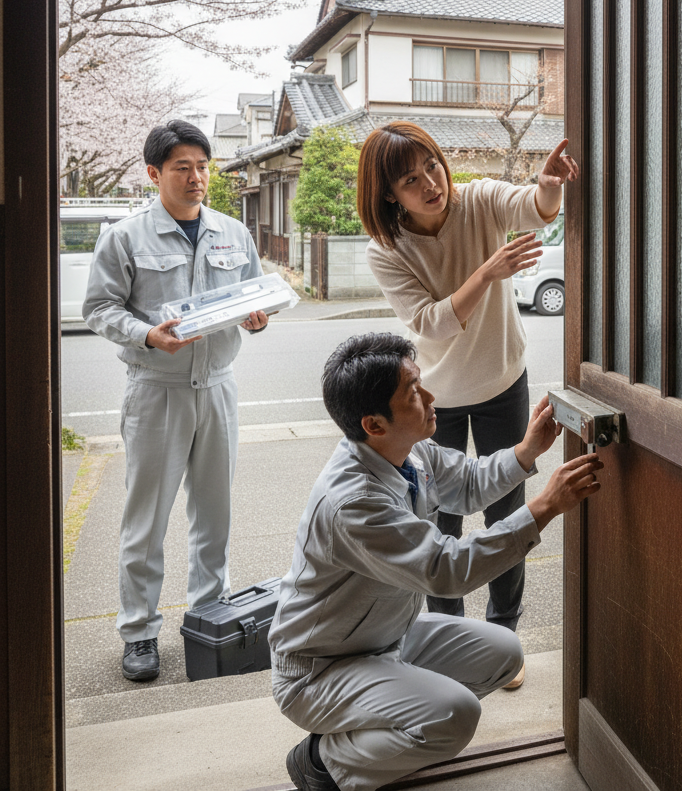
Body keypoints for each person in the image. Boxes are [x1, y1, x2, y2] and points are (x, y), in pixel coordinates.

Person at [269, 331, 602, 791]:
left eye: (420, 383)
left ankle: (388, 729)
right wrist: (544, 507)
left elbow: (467, 483)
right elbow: (447, 570)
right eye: (413, 393)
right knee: (455, 715)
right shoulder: (354, 502)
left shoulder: (408, 451)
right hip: (322, 668)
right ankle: (323, 762)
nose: (430, 398)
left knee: (504, 654)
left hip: (385, 637)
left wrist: (526, 451)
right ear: (374, 424)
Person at [356, 122, 578, 687]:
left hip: (503, 380)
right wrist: (488, 271)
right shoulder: (388, 250)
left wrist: (548, 186)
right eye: (410, 179)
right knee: (439, 521)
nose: (430, 183)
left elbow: (532, 208)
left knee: (507, 510)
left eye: (431, 165)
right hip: (436, 399)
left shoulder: (477, 199)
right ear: (389, 194)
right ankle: (452, 639)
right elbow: (429, 323)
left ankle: (505, 635)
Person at [83, 119, 270, 682]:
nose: (196, 178)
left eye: (203, 167)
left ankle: (210, 618)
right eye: (182, 167)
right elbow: (99, 308)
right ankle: (139, 631)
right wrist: (147, 334)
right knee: (146, 520)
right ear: (154, 173)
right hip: (156, 392)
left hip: (218, 387)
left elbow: (254, 294)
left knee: (214, 515)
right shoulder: (125, 236)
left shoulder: (231, 232)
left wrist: (257, 317)